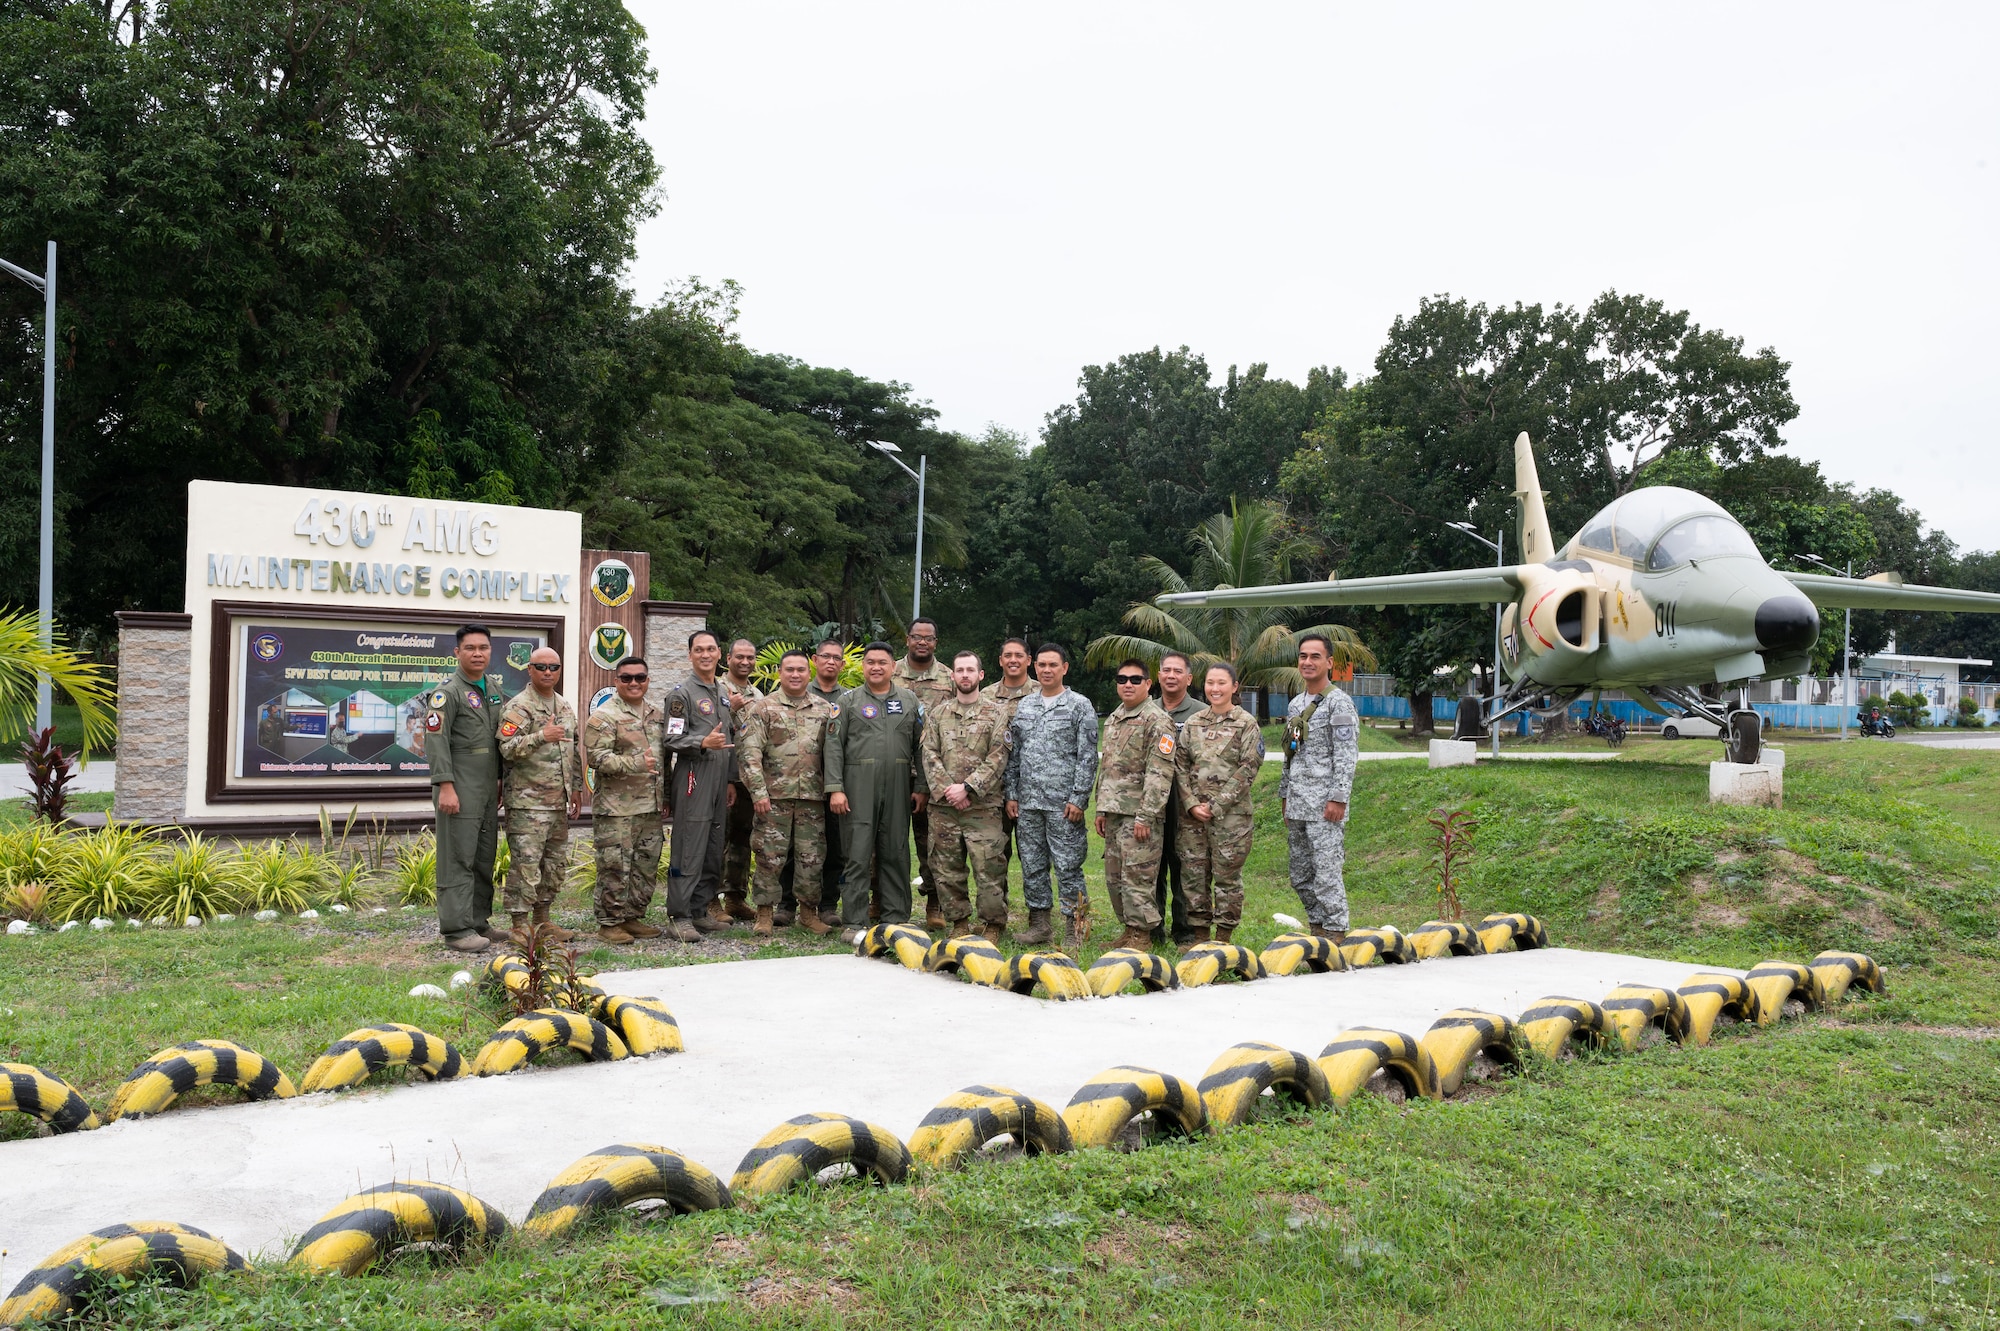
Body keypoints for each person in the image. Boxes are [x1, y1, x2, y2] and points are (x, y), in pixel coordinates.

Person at [824, 642, 928, 941]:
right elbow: (833, 748)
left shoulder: (909, 701)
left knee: (895, 851)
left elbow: (922, 748)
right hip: (857, 786)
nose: (876, 667)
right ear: (863, 666)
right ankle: (854, 921)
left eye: (882, 662)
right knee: (856, 854)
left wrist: (921, 786)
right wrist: (835, 789)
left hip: (898, 784)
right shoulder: (847, 702)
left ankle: (896, 919)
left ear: (893, 666)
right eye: (870, 662)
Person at [736, 649, 836, 937]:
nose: (795, 675)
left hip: (812, 798)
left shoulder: (824, 709)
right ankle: (765, 913)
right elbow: (749, 754)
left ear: (809, 673)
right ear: (780, 672)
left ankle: (808, 913)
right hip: (773, 798)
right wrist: (758, 793)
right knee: (769, 856)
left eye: (801, 670)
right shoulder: (763, 709)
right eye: (789, 669)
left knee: (811, 857)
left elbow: (834, 753)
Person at [1004, 643, 1098, 947]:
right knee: (1032, 865)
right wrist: (1012, 793)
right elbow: (1015, 755)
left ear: (1065, 668)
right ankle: (1039, 924)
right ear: (1036, 668)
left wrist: (1079, 798)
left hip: (1063, 804)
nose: (1046, 670)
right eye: (1041, 665)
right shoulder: (1026, 706)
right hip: (1029, 802)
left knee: (1068, 866)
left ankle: (1076, 926)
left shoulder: (1079, 705)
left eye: (1052, 665)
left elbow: (1087, 757)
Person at [920, 650, 1013, 942]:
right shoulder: (938, 714)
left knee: (989, 867)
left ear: (980, 675)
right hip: (944, 807)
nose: (964, 675)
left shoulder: (997, 713)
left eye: (970, 670)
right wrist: (949, 789)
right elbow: (929, 753)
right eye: (959, 670)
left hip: (982, 806)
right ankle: (958, 922)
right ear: (952, 676)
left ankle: (993, 924)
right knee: (947, 868)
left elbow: (999, 755)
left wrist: (968, 788)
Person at [426, 625, 507, 953]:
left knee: (483, 855)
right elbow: (436, 741)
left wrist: (500, 779)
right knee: (458, 857)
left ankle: (478, 921)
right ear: (456, 653)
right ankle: (457, 929)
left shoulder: (494, 689)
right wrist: (445, 786)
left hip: (488, 787)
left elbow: (500, 736)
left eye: (483, 648)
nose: (478, 654)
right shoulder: (447, 693)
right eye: (470, 648)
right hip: (458, 787)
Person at [1174, 662, 1263, 946]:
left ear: (1234, 687)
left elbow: (1248, 768)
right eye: (1210, 683)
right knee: (1194, 877)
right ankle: (1200, 937)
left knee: (1227, 879)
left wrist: (1215, 806)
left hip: (1231, 819)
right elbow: (1180, 764)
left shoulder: (1246, 723)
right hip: (1193, 818)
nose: (1215, 688)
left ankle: (1223, 938)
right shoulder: (1194, 723)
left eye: (1222, 683)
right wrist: (1190, 803)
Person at [497, 646, 582, 941]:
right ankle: (520, 924)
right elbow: (506, 748)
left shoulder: (564, 706)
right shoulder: (519, 707)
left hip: (558, 801)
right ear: (529, 669)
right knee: (527, 864)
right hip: (528, 802)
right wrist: (540, 736)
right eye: (541, 667)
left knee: (554, 865)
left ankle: (543, 920)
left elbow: (572, 749)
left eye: (553, 667)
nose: (548, 672)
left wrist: (577, 789)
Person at [1281, 632, 1360, 942]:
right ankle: (1317, 926)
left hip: (1325, 806)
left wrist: (1338, 798)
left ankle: (1336, 930)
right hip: (1298, 802)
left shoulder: (1339, 702)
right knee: (1300, 875)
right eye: (1303, 656)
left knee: (1326, 873)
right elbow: (1290, 754)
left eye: (1315, 656)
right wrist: (1285, 795)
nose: (1308, 662)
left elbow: (1346, 754)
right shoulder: (1295, 704)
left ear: (1329, 662)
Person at [1095, 657, 1177, 953]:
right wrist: (1101, 808)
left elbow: (1160, 773)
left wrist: (1146, 816)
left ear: (1147, 684)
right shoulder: (1115, 718)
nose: (1127, 685)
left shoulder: (1158, 721)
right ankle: (1129, 929)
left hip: (1140, 815)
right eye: (1122, 680)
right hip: (1115, 812)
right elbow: (1107, 767)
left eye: (1134, 680)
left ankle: (1141, 935)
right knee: (1116, 877)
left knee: (1138, 877)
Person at [583, 655, 666, 944]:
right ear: (617, 681)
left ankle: (631, 917)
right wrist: (636, 764)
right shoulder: (604, 717)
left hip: (651, 806)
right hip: (617, 808)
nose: (634, 683)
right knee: (615, 865)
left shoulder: (656, 714)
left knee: (645, 864)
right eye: (627, 678)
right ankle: (609, 923)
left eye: (640, 677)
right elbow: (597, 758)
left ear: (647, 680)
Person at [663, 630, 736, 938]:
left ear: (719, 653)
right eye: (699, 650)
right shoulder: (681, 695)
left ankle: (700, 908)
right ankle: (679, 915)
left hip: (720, 779)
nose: (705, 655)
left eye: (710, 649)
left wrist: (731, 779)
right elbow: (671, 738)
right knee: (689, 845)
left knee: (713, 846)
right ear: (690, 655)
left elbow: (729, 738)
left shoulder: (721, 691)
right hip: (695, 775)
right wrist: (701, 742)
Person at [893, 617, 954, 929]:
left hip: (933, 774)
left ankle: (934, 903)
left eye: (928, 638)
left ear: (935, 643)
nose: (922, 642)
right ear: (907, 640)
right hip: (892, 769)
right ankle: (883, 899)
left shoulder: (949, 678)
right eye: (917, 637)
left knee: (931, 842)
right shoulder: (889, 673)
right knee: (887, 839)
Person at [1150, 651, 1203, 947]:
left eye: (1177, 671)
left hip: (1186, 803)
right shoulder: (1147, 710)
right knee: (1152, 863)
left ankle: (1185, 930)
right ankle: (1153, 928)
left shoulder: (1200, 712)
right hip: (1152, 802)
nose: (1171, 676)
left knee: (1184, 865)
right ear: (1158, 676)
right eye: (1166, 670)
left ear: (1188, 678)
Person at [980, 637, 1034, 881]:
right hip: (993, 788)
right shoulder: (986, 695)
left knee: (1032, 854)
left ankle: (1037, 912)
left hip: (1031, 788)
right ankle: (996, 913)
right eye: (1008, 656)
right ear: (1000, 660)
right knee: (994, 854)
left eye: (1019, 655)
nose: (1013, 660)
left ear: (1029, 660)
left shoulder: (1041, 693)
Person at [719, 637, 764, 925]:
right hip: (725, 777)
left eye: (750, 657)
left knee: (742, 840)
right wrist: (730, 708)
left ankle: (736, 898)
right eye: (740, 657)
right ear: (728, 657)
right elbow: (712, 730)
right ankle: (713, 899)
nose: (745, 662)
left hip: (750, 778)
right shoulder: (718, 689)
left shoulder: (758, 694)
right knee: (720, 839)